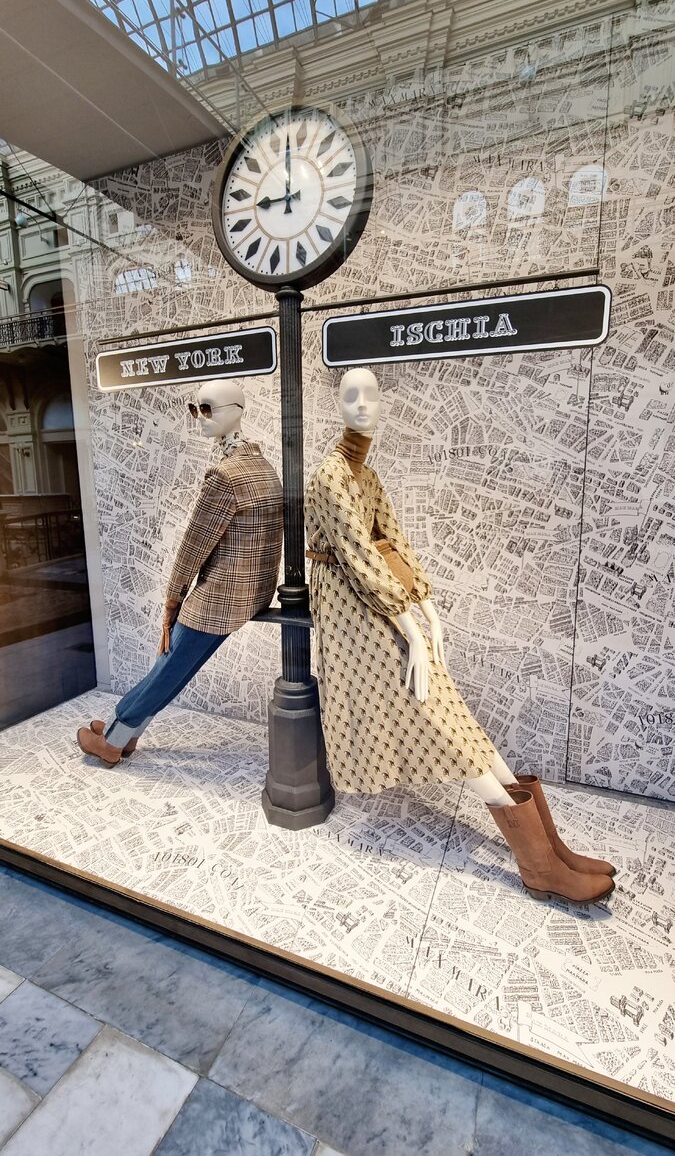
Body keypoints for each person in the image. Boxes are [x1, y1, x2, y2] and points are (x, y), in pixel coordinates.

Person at [304, 368, 616, 905]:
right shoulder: (331, 475)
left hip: (378, 601)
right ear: (337, 404)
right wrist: (412, 627)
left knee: (451, 711)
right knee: (433, 716)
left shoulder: (365, 474)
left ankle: (550, 849)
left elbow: (393, 539)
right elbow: (357, 555)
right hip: (350, 611)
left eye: (371, 395)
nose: (362, 405)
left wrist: (428, 607)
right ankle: (538, 863)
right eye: (350, 395)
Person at [76, 379, 283, 766]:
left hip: (222, 596)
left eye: (207, 409)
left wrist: (173, 599)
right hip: (252, 592)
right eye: (195, 409)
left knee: (168, 668)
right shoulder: (264, 467)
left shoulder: (225, 475)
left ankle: (115, 741)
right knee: (175, 668)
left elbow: (193, 546)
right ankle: (127, 731)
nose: (199, 418)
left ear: (235, 412)